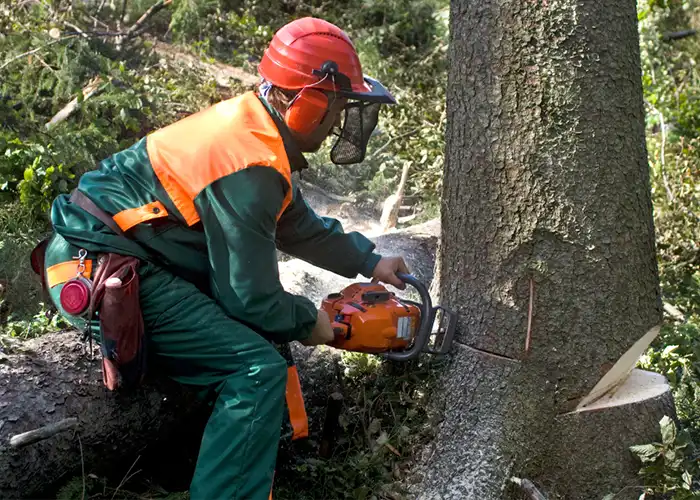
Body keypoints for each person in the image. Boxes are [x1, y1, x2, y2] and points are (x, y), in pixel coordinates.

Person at [37, 16, 409, 500]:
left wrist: (371, 261)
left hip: (124, 254)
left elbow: (297, 226)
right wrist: (312, 323)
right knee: (254, 371)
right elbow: (250, 298)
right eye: (337, 106)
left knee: (255, 345)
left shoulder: (254, 134)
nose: (339, 121)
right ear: (308, 103)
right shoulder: (249, 165)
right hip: (107, 268)